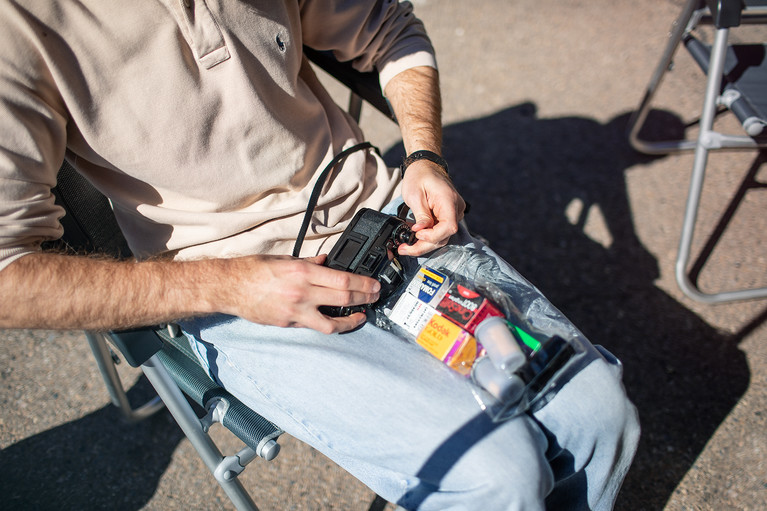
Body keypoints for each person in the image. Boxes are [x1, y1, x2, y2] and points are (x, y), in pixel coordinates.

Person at [0, 1, 639, 509]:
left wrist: (424, 155)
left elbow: (390, 27)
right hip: (232, 294)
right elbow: (9, 277)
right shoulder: (18, 25)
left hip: (376, 217)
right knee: (498, 477)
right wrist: (230, 286)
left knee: (599, 412)